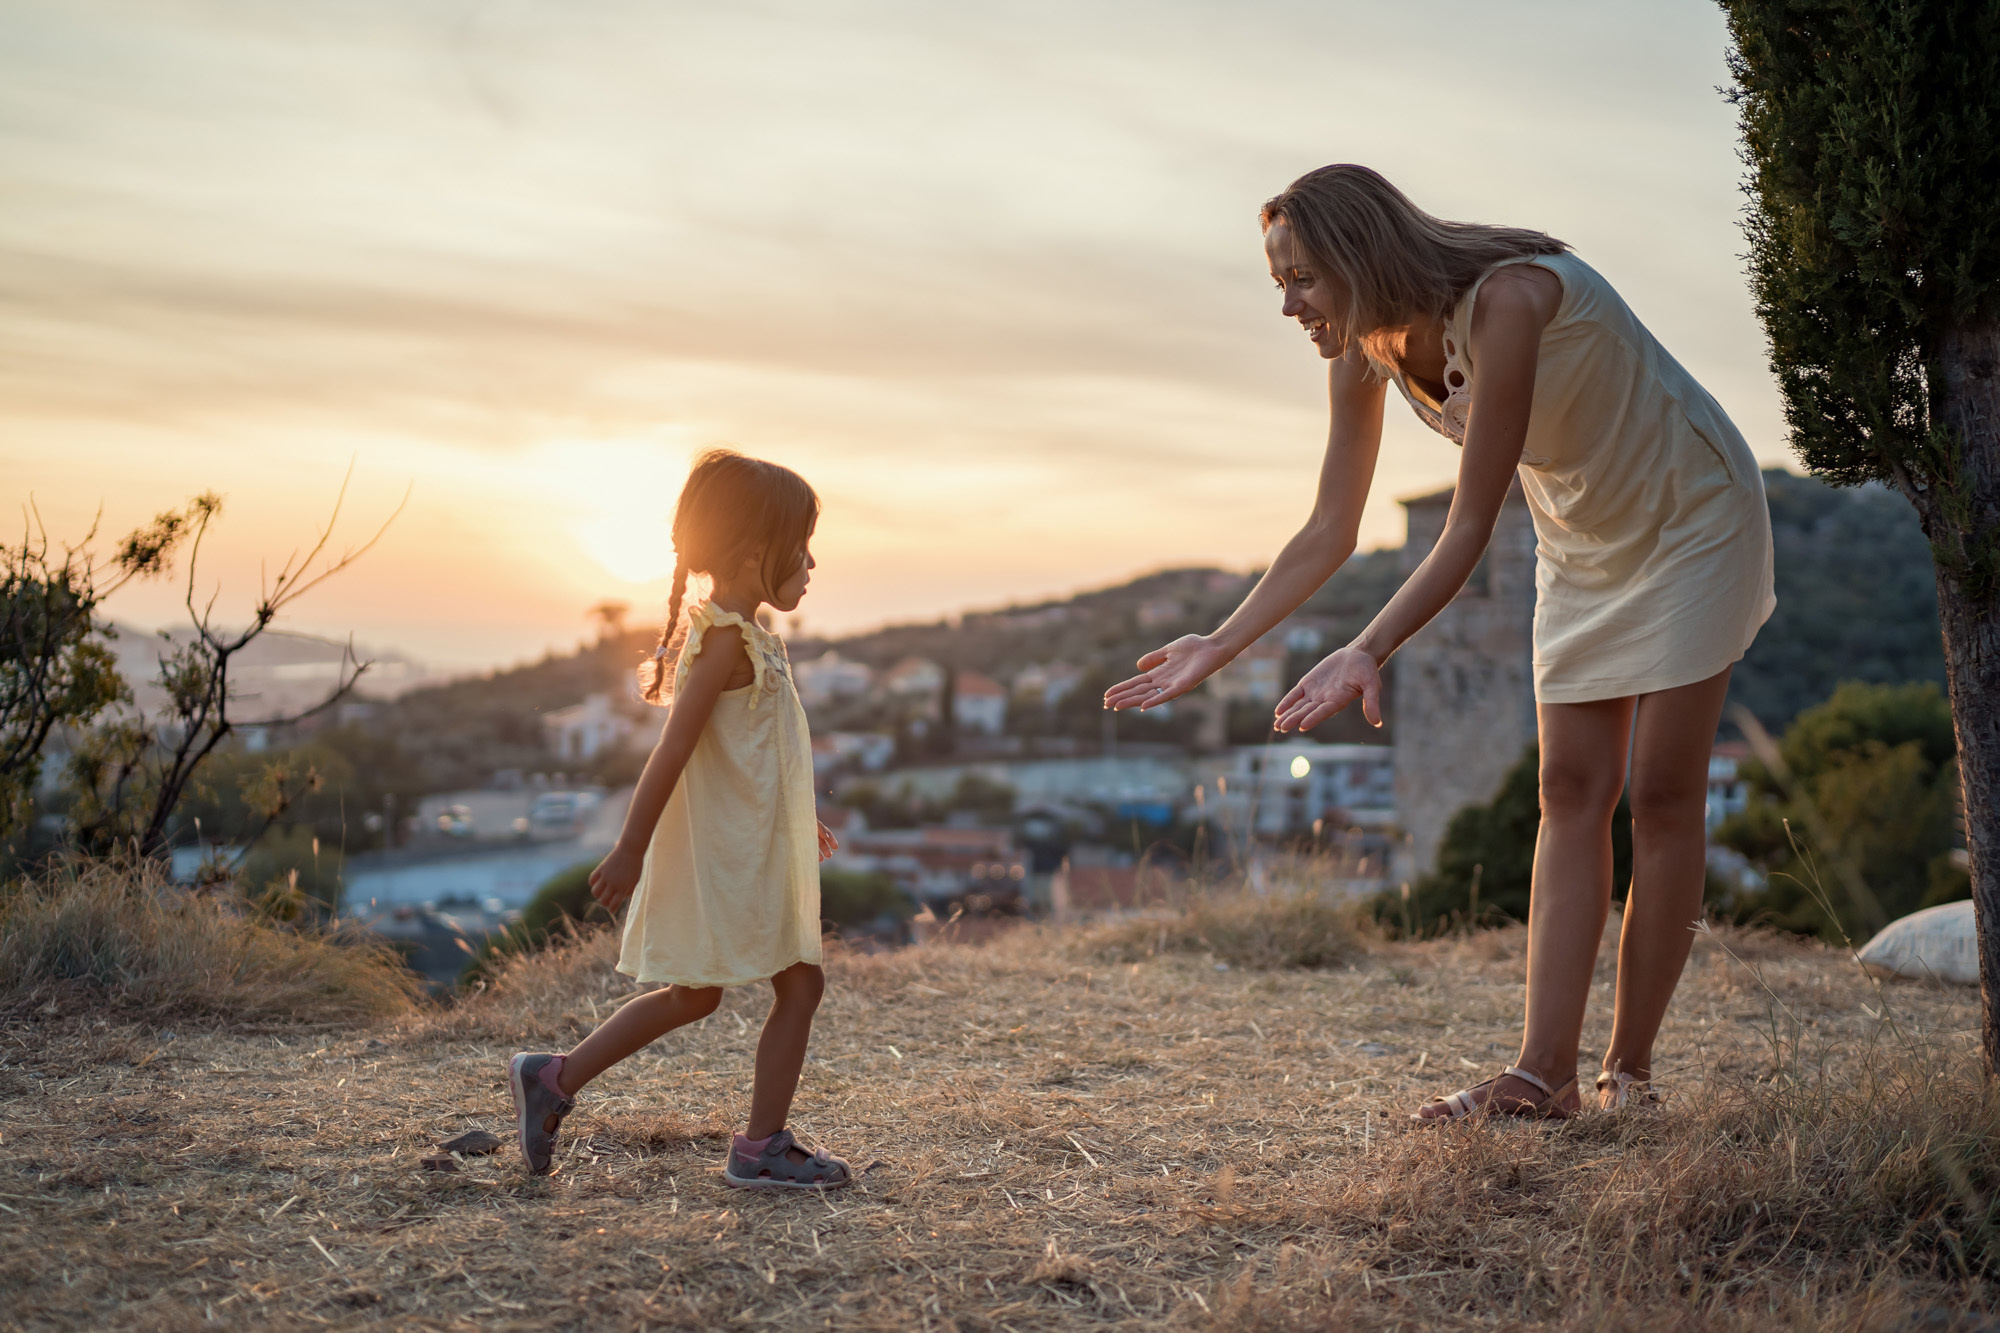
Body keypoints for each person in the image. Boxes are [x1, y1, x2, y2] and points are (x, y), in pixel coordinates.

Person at [1105, 165, 1772, 1119]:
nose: (1289, 305)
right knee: (1570, 790)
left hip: (1693, 515)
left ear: (1358, 256)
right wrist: (1222, 640)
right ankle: (1543, 1079)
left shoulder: (1508, 299)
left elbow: (1467, 526)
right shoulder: (1362, 349)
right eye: (1278, 285)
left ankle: (1630, 1073)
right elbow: (1331, 527)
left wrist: (1368, 646)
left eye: (1301, 280)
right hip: (1583, 535)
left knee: (1663, 795)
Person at [509, 449, 852, 1186]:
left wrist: (802, 817)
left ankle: (554, 1077)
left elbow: (761, 752)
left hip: (752, 844)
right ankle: (760, 1149)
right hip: (724, 852)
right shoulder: (726, 641)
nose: (812, 560)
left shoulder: (751, 637)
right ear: (755, 550)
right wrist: (629, 849)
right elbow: (669, 752)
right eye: (802, 543)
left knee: (703, 994)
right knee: (796, 985)